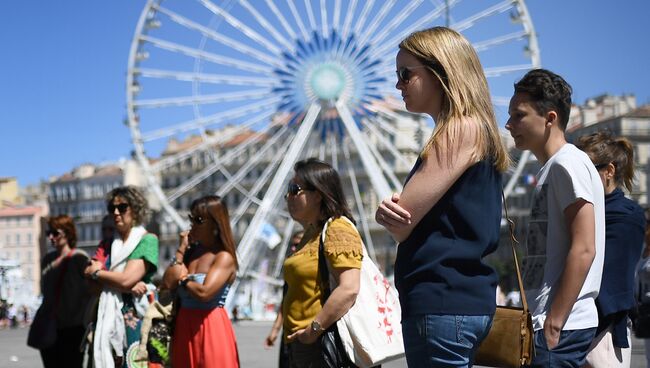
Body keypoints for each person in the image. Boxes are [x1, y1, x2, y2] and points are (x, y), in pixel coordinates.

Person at [374, 26, 509, 366]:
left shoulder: (460, 130)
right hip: (459, 299)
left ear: (441, 72)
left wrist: (389, 212)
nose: (398, 85)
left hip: (441, 299)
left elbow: (402, 223)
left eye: (406, 74)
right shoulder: (475, 130)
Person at [505, 69, 605, 367]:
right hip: (549, 322)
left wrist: (555, 321)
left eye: (519, 115)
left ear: (550, 118)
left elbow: (585, 247)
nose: (509, 124)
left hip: (560, 324)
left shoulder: (567, 165)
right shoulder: (555, 167)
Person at [282, 158, 362, 367]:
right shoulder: (311, 232)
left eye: (294, 189)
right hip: (302, 342)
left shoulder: (337, 228)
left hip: (323, 341)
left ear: (317, 194)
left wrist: (313, 331)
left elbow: (349, 288)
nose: (287, 196)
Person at [575, 131, 645, 367]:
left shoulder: (626, 215)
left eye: (586, 169)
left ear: (609, 171)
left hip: (600, 332)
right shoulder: (585, 209)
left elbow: (610, 282)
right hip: (579, 330)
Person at [84, 186, 159, 368]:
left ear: (136, 209)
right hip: (107, 320)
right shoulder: (107, 244)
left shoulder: (147, 240)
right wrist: (124, 285)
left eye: (122, 207)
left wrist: (97, 273)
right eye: (112, 208)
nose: (116, 213)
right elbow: (91, 287)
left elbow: (126, 279)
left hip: (136, 320)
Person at [162, 195, 240, 367]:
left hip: (210, 325)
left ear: (214, 223)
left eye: (198, 220)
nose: (192, 224)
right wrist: (181, 250)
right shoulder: (191, 253)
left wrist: (182, 278)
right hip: (183, 326)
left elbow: (205, 293)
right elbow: (165, 286)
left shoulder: (223, 257)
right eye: (191, 218)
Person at [32, 215, 90, 367]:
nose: (51, 237)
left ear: (68, 233)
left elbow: (89, 291)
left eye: (55, 233)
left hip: (73, 327)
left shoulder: (80, 259)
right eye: (48, 233)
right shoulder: (48, 259)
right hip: (50, 326)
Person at [264, 230, 304, 368]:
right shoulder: (289, 269)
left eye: (297, 245)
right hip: (288, 330)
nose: (293, 248)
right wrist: (275, 330)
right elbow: (285, 301)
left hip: (305, 330)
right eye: (292, 245)